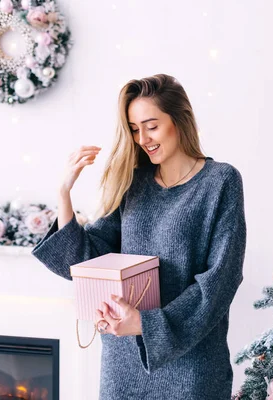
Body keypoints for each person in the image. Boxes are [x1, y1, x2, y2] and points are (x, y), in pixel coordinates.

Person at [31, 74, 247, 399]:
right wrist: (64, 193)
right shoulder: (133, 183)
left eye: (152, 125)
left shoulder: (220, 182)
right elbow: (85, 263)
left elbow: (220, 281)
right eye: (134, 129)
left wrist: (146, 324)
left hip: (191, 365)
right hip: (124, 363)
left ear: (179, 120)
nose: (143, 138)